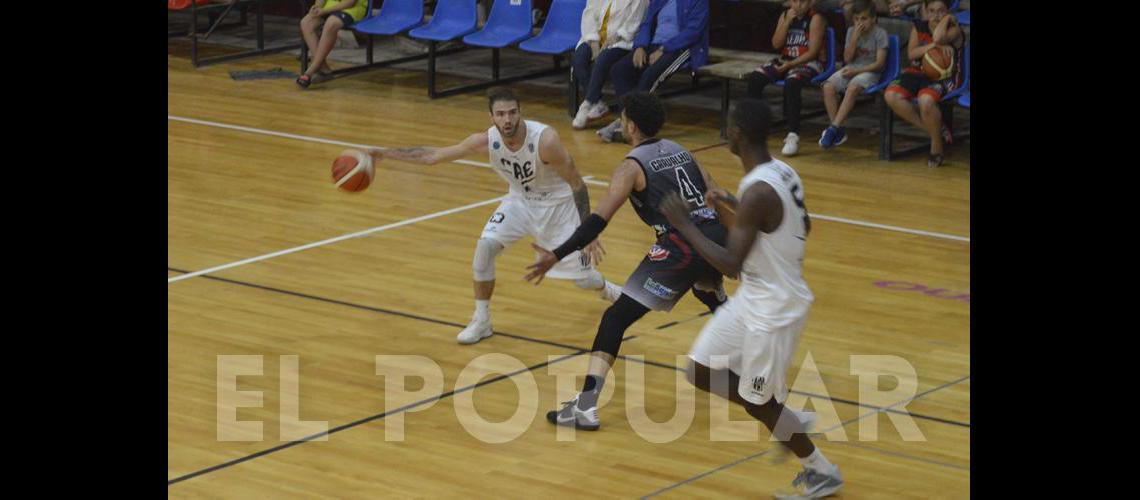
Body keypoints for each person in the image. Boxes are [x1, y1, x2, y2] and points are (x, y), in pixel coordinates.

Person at [657, 98, 843, 498]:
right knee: (700, 371)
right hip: (756, 294)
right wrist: (737, 209)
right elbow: (801, 224)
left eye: (727, 124)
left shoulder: (759, 188)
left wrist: (684, 224)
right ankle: (784, 417)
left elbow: (728, 264)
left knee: (758, 401)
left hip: (775, 308)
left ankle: (821, 471)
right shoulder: (780, 173)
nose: (725, 130)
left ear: (737, 133)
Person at [525, 91, 729, 430]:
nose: (619, 124)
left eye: (621, 119)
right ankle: (752, 354)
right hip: (715, 235)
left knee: (615, 319)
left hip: (682, 245)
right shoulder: (680, 150)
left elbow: (598, 220)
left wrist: (556, 255)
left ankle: (585, 406)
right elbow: (718, 195)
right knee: (706, 287)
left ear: (631, 125)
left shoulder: (631, 166)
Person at [369, 87, 623, 344]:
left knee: (583, 280)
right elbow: (434, 156)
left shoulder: (545, 141)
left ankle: (607, 289)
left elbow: (578, 184)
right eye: (500, 114)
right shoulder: (485, 140)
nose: (507, 120)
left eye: (512, 112)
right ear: (491, 117)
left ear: (520, 112)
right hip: (520, 203)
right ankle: (482, 320)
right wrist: (384, 153)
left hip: (558, 208)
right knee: (485, 248)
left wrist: (588, 232)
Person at [595, 0, 710, 142]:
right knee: (619, 70)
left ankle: (630, 125)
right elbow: (646, 23)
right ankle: (627, 122)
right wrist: (640, 46)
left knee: (649, 78)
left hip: (682, 48)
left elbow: (693, 31)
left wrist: (664, 49)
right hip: (654, 45)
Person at [883, 0, 963, 166]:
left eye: (941, 11)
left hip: (944, 77)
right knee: (891, 95)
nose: (936, 15)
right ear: (925, 11)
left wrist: (947, 19)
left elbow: (938, 37)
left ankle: (936, 147)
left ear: (948, 12)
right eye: (932, 11)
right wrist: (934, 46)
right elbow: (912, 54)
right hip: (916, 72)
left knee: (925, 101)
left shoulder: (954, 29)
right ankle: (934, 131)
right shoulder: (918, 26)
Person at [745, 0, 827, 156]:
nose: (798, 5)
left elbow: (813, 52)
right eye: (795, 1)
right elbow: (776, 44)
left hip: (809, 62)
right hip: (785, 59)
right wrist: (787, 21)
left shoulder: (816, 18)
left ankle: (793, 134)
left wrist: (790, 66)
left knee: (792, 82)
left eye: (803, 2)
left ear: (810, 3)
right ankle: (754, 128)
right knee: (756, 78)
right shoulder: (785, 15)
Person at [819, 0, 889, 149]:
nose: (859, 23)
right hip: (852, 67)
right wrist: (854, 38)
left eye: (863, 19)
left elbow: (879, 64)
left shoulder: (880, 34)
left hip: (871, 71)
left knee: (852, 88)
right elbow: (847, 59)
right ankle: (837, 129)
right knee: (828, 86)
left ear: (873, 19)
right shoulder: (851, 31)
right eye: (856, 19)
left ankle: (833, 129)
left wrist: (856, 72)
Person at [571, 0, 650, 129]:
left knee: (602, 60)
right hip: (596, 38)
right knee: (578, 60)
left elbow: (634, 24)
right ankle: (598, 103)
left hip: (621, 40)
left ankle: (588, 102)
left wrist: (612, 40)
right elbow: (589, 14)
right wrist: (594, 42)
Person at [296, 0, 369, 89]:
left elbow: (349, 3)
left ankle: (311, 70)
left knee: (331, 23)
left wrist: (324, 11)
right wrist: (317, 6)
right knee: (306, 22)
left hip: (351, 9)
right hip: (329, 7)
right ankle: (324, 69)